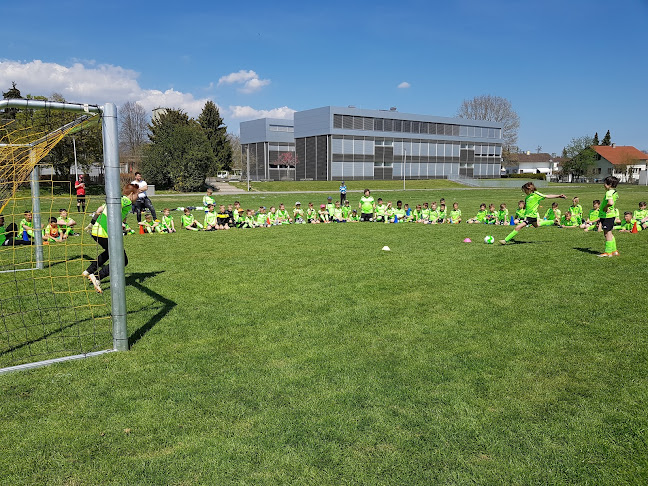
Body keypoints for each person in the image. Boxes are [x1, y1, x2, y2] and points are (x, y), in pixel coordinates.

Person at [82, 183, 138, 293]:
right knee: (122, 260)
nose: (138, 197)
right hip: (105, 232)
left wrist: (92, 223)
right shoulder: (126, 201)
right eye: (137, 194)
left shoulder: (117, 199)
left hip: (96, 230)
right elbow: (116, 207)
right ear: (131, 194)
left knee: (109, 252)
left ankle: (89, 271)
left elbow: (99, 209)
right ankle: (97, 277)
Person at [499, 182, 566, 245]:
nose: (524, 191)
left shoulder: (536, 194)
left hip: (531, 217)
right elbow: (527, 208)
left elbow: (547, 196)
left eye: (525, 190)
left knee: (517, 227)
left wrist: (558, 196)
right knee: (537, 225)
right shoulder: (527, 197)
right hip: (530, 216)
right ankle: (553, 221)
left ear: (529, 189)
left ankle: (505, 240)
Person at [597, 176, 620, 257]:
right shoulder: (615, 192)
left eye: (605, 183)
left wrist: (605, 207)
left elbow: (610, 202)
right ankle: (614, 251)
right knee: (609, 233)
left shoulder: (609, 192)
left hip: (607, 216)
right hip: (611, 215)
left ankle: (608, 252)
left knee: (607, 234)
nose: (603, 185)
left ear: (609, 184)